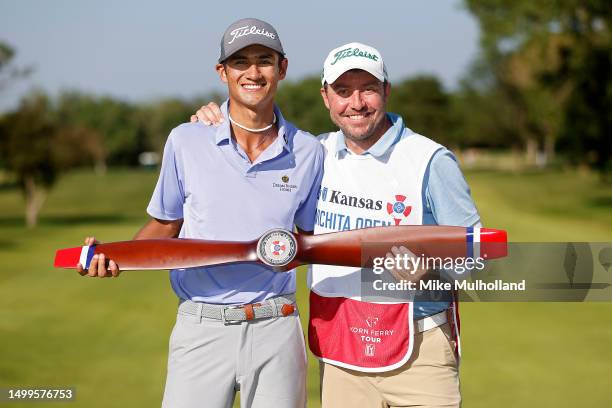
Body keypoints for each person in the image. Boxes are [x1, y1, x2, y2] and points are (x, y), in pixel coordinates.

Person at [192, 42, 481, 407]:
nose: (356, 103)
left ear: (386, 91)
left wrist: (430, 273)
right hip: (341, 350)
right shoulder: (313, 154)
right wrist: (211, 121)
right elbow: (249, 177)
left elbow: (475, 253)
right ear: (326, 97)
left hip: (419, 350)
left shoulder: (431, 160)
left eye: (368, 89)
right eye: (343, 91)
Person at [77, 18, 324, 408]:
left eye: (264, 60)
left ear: (283, 68)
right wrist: (115, 256)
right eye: (240, 62)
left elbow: (311, 241)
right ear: (222, 72)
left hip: (277, 326)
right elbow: (166, 224)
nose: (253, 72)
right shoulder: (187, 140)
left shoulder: (309, 151)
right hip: (202, 328)